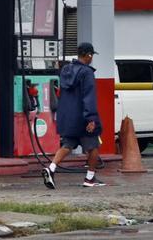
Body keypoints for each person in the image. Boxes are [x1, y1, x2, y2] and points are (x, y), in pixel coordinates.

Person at [42, 42, 106, 189]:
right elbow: (88, 97)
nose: (92, 59)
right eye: (92, 55)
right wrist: (91, 118)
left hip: (67, 118)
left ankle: (51, 168)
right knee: (93, 146)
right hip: (83, 118)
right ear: (88, 55)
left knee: (67, 145)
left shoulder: (65, 70)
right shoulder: (87, 72)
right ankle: (90, 178)